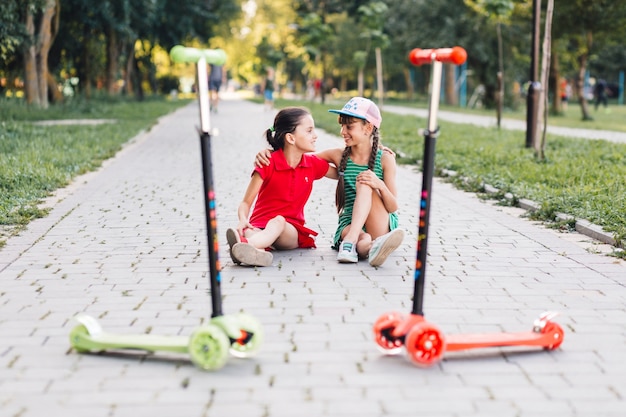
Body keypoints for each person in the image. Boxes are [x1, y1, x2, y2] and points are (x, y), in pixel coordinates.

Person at [255, 97, 404, 267]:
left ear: (368, 128)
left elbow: (393, 207)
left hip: (379, 222)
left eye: (349, 126)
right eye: (341, 125)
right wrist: (270, 153)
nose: (342, 131)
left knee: (365, 181)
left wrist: (379, 184)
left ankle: (352, 243)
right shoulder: (338, 155)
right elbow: (297, 159)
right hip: (349, 223)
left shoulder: (385, 159)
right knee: (363, 242)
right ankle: (371, 249)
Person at [227, 107, 336, 267]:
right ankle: (255, 252)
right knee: (251, 231)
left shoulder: (312, 164)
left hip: (289, 231)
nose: (315, 135)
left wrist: (376, 152)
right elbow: (246, 203)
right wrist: (243, 220)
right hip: (259, 226)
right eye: (309, 131)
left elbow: (343, 172)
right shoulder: (267, 162)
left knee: (278, 221)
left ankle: (247, 246)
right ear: (291, 138)